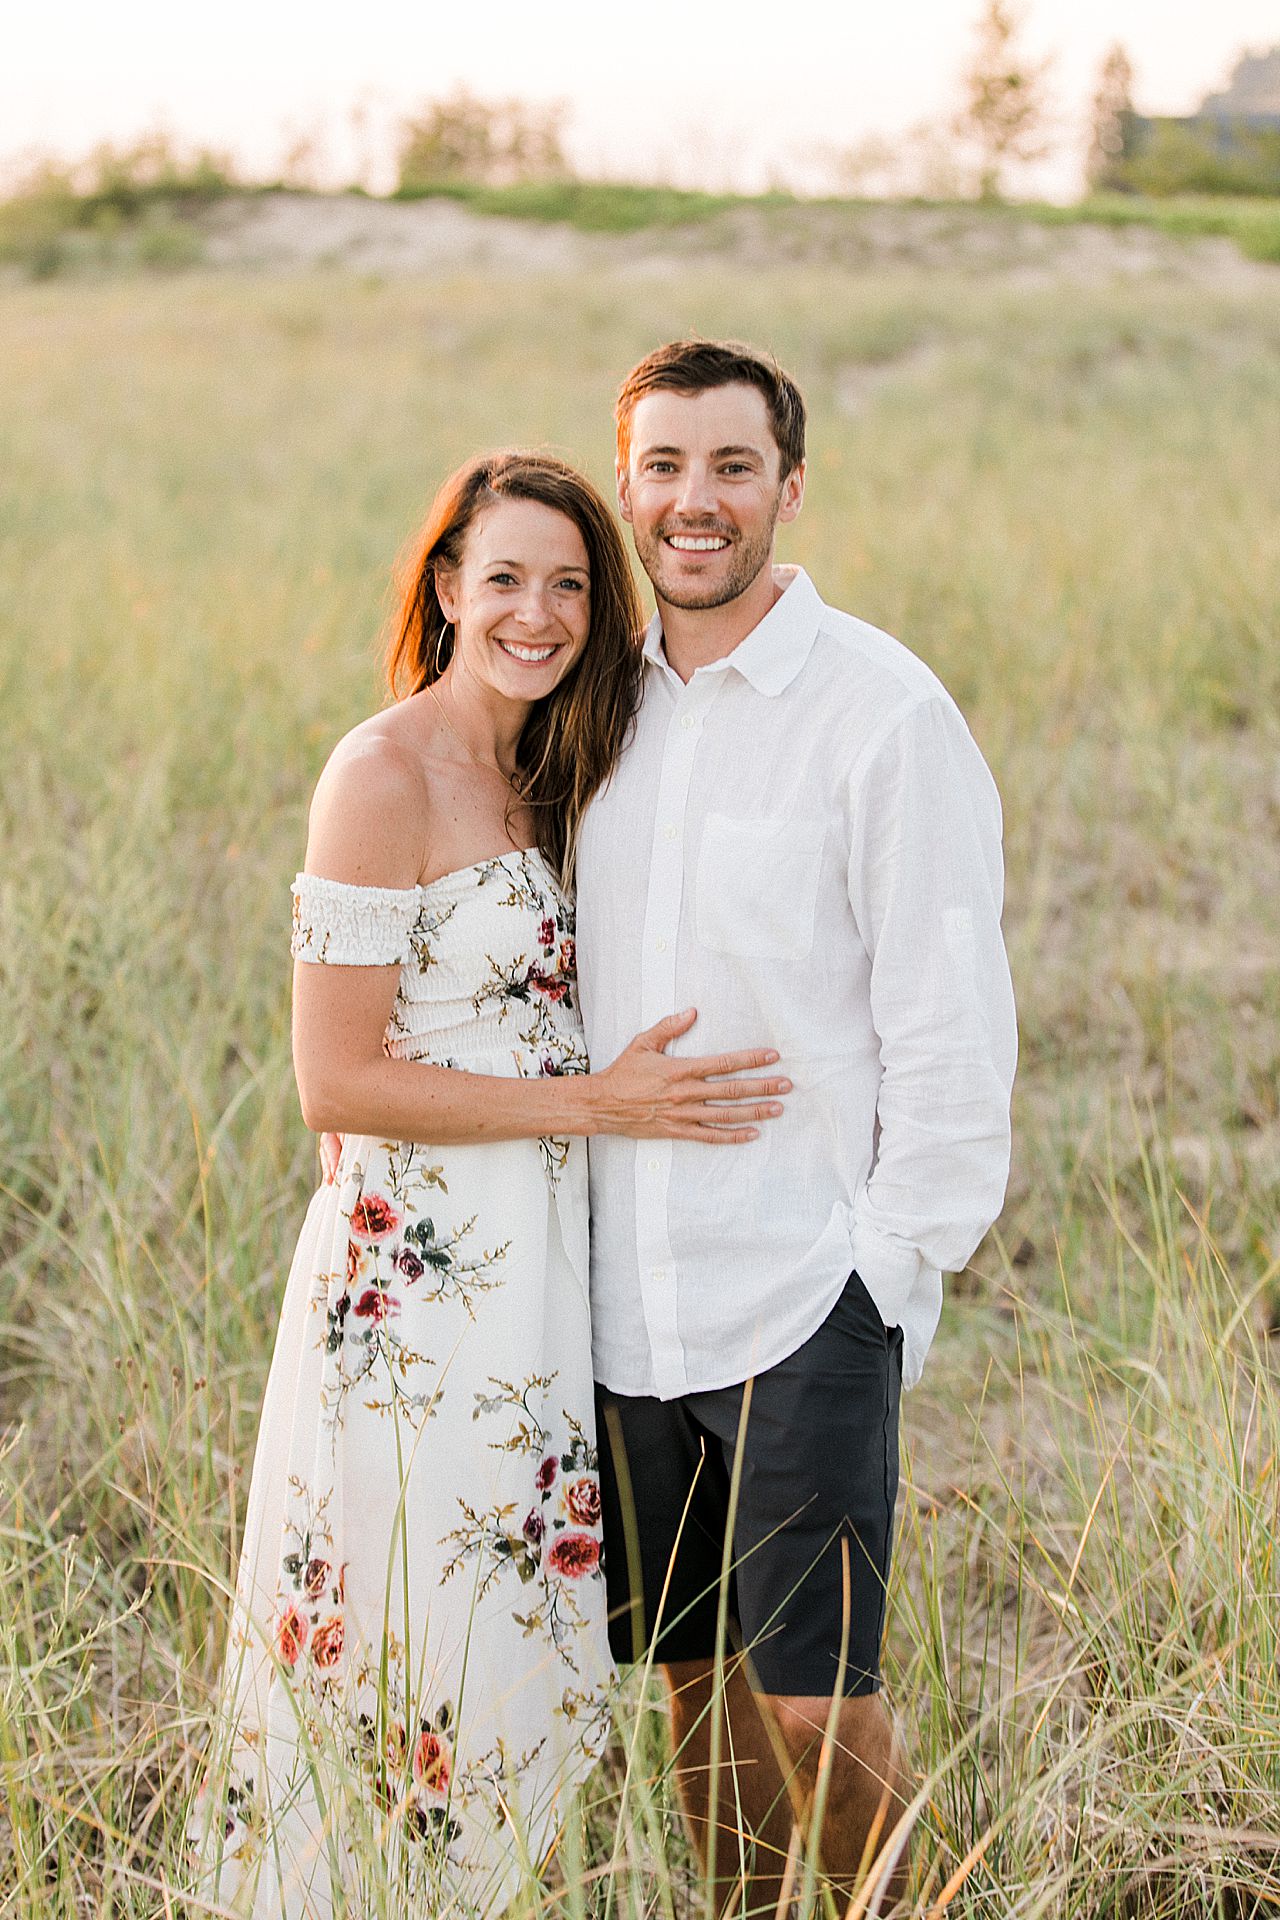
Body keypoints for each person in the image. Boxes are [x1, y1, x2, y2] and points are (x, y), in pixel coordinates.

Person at [198, 449, 791, 1918]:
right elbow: (333, 1083)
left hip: (546, 1270)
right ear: (448, 588)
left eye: (572, 584)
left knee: (513, 1627)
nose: (539, 612)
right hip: (417, 1293)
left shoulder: (561, 768)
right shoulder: (380, 771)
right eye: (506, 578)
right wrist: (599, 1102)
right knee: (413, 1624)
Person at [579, 341, 1018, 1908]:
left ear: (789, 488)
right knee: (692, 1690)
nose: (696, 504)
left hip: (801, 1292)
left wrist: (884, 1276)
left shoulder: (881, 713)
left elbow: (953, 1025)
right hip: (626, 1298)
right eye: (665, 470)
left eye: (733, 469)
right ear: (627, 487)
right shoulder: (592, 708)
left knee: (821, 1704)